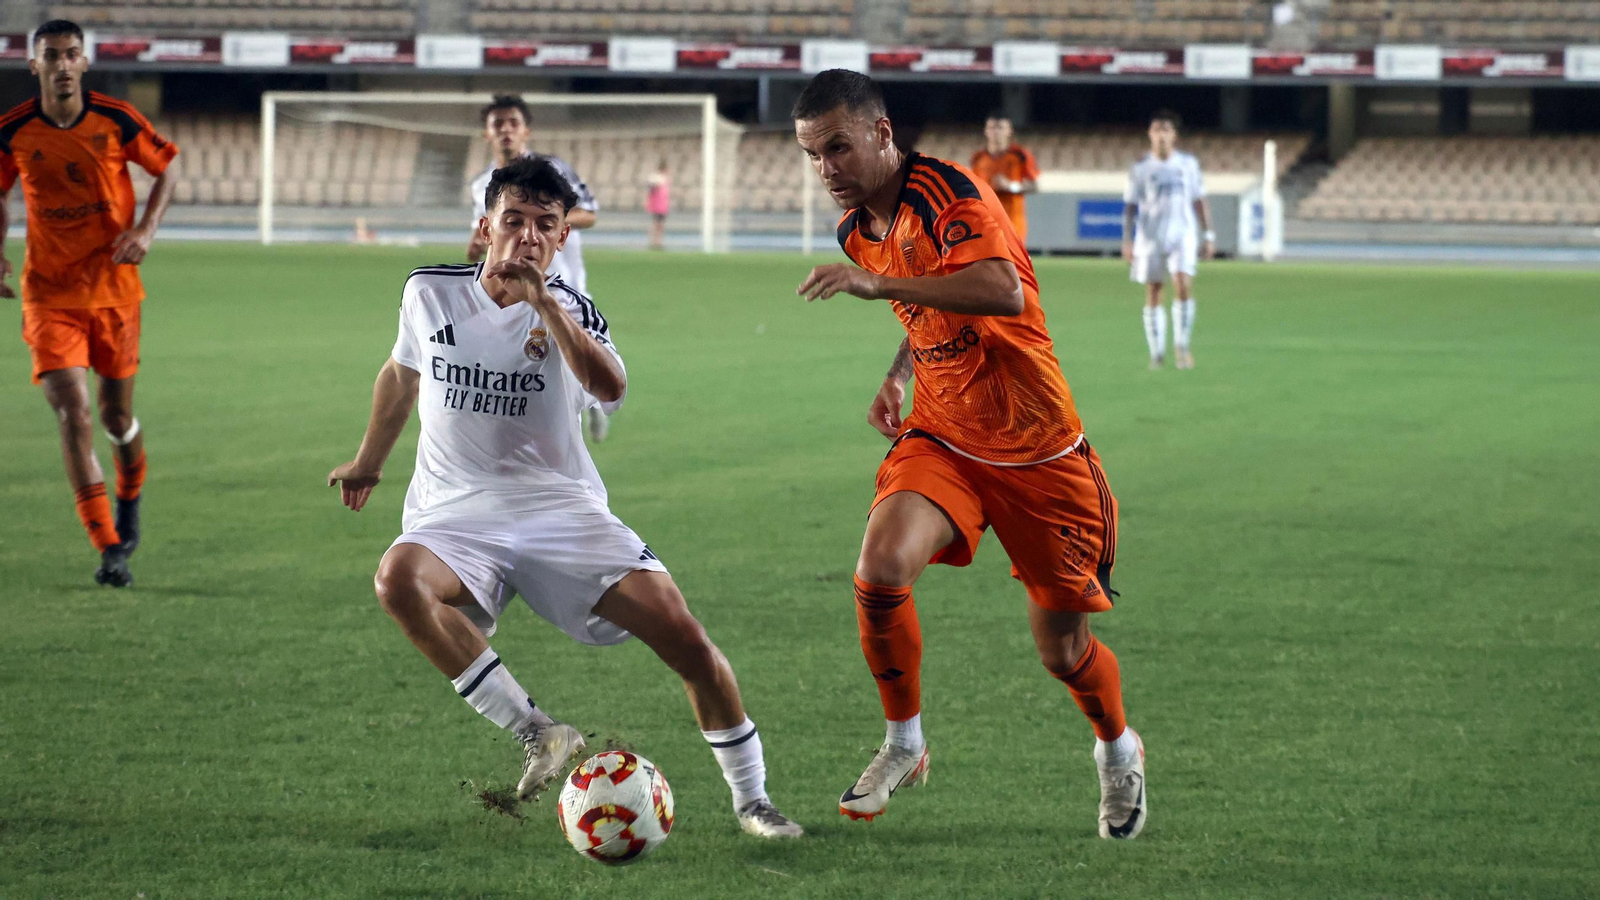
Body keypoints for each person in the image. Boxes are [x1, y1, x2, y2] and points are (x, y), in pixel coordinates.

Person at [329, 157, 802, 840]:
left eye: (543, 226)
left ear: (560, 240)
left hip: (562, 511)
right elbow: (401, 375)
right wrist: (368, 463)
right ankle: (538, 731)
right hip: (456, 511)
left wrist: (546, 304)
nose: (525, 236)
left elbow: (609, 387)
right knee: (397, 579)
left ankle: (753, 799)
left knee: (687, 639)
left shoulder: (572, 311)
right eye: (513, 220)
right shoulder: (428, 291)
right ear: (485, 225)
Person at [792, 70, 1146, 840]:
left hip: (1039, 450)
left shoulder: (949, 195)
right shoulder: (859, 227)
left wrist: (875, 281)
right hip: (946, 435)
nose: (826, 170)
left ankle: (1117, 749)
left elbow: (997, 289)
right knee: (880, 568)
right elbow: (923, 305)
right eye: (814, 154)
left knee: (1061, 649)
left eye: (838, 149)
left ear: (882, 134)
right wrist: (897, 374)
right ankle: (903, 743)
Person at [0, 19, 178, 587]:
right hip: (48, 294)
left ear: (83, 62)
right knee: (72, 412)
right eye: (50, 55)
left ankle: (130, 496)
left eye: (70, 53)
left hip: (115, 291)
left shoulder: (116, 119)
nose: (61, 63)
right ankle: (108, 547)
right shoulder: (14, 131)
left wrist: (146, 230)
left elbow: (169, 166)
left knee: (115, 417)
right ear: (35, 66)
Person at [465, 94, 610, 442]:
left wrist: (547, 219)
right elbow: (487, 230)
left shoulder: (553, 171)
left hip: (563, 288)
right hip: (512, 294)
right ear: (486, 133)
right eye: (497, 124)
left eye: (513, 123)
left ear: (526, 130)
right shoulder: (480, 185)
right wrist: (476, 243)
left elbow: (589, 213)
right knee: (528, 372)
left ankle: (590, 407)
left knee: (575, 363)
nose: (506, 131)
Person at [1122, 109, 1213, 370]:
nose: (1161, 134)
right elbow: (1130, 206)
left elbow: (1199, 199)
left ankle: (1182, 346)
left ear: (1175, 135)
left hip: (1183, 233)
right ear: (1150, 135)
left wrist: (1208, 234)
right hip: (1150, 236)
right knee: (1154, 290)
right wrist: (1127, 240)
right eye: (1156, 129)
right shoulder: (1140, 168)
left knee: (1183, 283)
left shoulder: (1188, 164)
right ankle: (1157, 352)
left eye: (1166, 129)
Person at [968, 113, 1039, 244]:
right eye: (992, 127)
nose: (996, 132)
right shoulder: (978, 158)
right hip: (984, 222)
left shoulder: (1020, 156)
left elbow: (1034, 186)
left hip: (1012, 222)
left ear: (1009, 130)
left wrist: (1011, 186)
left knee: (1011, 263)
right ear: (986, 130)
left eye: (1000, 127)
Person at [645, 160, 670, 251]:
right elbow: (652, 189)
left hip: (663, 205)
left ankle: (658, 241)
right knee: (657, 224)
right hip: (658, 204)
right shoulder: (658, 178)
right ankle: (654, 241)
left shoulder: (665, 178)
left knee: (660, 225)